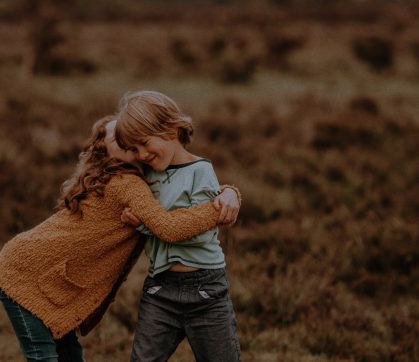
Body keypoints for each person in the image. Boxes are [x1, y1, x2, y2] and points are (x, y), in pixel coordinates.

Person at [0, 115, 240, 362]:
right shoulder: (126, 183)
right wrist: (217, 209)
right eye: (117, 137)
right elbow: (169, 226)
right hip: (23, 273)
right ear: (106, 151)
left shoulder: (145, 174)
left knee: (69, 354)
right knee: (43, 356)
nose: (126, 137)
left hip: (36, 271)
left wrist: (229, 191)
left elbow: (184, 180)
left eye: (130, 133)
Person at [115, 90, 241, 362]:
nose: (142, 154)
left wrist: (145, 225)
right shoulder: (147, 178)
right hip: (161, 290)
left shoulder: (200, 171)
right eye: (134, 149)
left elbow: (200, 230)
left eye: (145, 144)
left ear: (171, 130)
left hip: (206, 290)